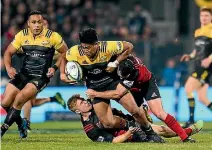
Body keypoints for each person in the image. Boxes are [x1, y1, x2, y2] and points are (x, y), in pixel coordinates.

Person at [60, 28, 164, 142]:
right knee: (108, 123)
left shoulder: (107, 47)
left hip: (113, 83)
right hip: (95, 88)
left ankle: (151, 134)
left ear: (96, 44)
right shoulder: (75, 51)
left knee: (135, 111)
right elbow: (63, 56)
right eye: (83, 47)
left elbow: (129, 46)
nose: (85, 50)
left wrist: (116, 63)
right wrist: (62, 74)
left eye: (88, 47)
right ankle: (131, 125)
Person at [86, 56, 196, 142]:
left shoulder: (135, 74)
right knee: (136, 113)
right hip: (132, 87)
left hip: (146, 85)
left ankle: (184, 137)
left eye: (124, 76)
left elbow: (118, 94)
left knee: (159, 113)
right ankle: (144, 113)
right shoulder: (122, 61)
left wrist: (96, 93)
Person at [1, 10, 68, 138]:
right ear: (28, 24)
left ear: (43, 24)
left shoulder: (53, 36)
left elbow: (66, 52)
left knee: (21, 99)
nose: (36, 25)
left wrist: (54, 68)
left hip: (40, 77)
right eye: (33, 22)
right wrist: (9, 67)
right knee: (5, 103)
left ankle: (2, 130)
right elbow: (8, 52)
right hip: (23, 74)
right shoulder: (22, 35)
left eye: (39, 22)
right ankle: (22, 124)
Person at [67, 95, 203, 143]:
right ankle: (188, 131)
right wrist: (128, 133)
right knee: (160, 130)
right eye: (81, 103)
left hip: (129, 121)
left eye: (83, 100)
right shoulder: (90, 129)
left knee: (159, 129)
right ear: (78, 111)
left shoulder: (96, 105)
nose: (85, 102)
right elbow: (113, 141)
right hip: (129, 133)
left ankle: (185, 131)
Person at [22, 15, 66, 130]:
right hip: (30, 73)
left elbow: (64, 54)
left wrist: (55, 69)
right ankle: (53, 99)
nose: (40, 26)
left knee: (26, 99)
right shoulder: (32, 38)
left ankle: (25, 125)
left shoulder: (53, 40)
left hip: (42, 75)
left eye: (44, 24)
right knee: (30, 102)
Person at [180, 7, 212, 127]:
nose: (204, 18)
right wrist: (190, 56)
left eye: (206, 16)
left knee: (188, 88)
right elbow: (197, 50)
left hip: (207, 67)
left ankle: (191, 120)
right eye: (202, 16)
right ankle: (191, 120)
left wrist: (209, 59)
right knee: (202, 98)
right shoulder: (198, 31)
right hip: (199, 64)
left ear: (211, 18)